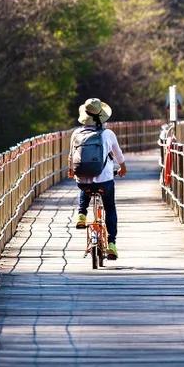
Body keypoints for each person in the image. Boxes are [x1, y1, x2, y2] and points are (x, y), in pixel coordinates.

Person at [70, 97, 127, 259]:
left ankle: (82, 213)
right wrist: (123, 168)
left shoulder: (76, 133)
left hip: (83, 182)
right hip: (105, 181)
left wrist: (71, 171)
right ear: (102, 116)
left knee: (85, 185)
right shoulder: (108, 134)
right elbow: (118, 156)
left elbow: (71, 157)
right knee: (110, 208)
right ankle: (112, 244)